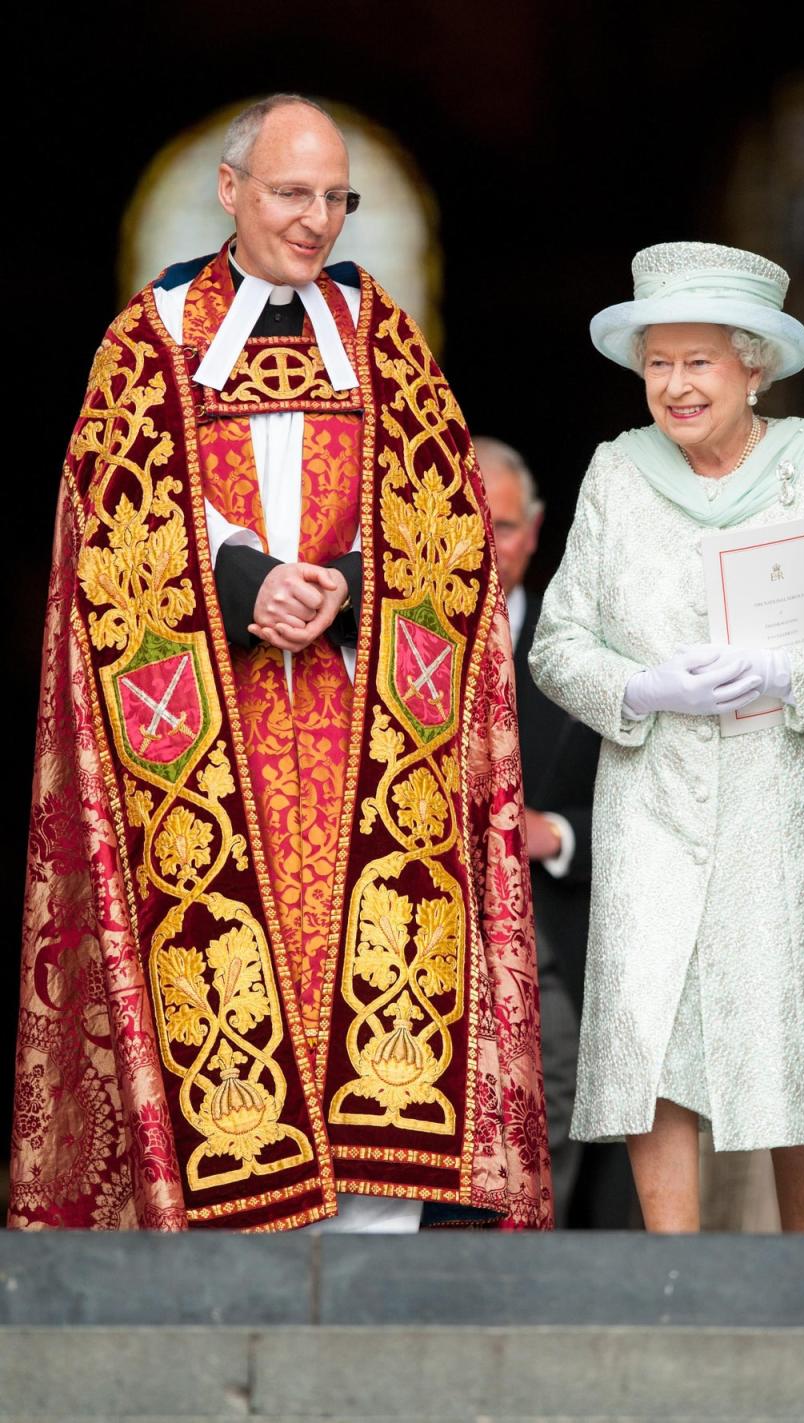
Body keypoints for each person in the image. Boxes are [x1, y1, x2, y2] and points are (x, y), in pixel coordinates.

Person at [10, 94, 551, 1233]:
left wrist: (349, 586)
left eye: (335, 199)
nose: (316, 221)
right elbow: (107, 527)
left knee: (381, 1078)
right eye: (292, 193)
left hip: (368, 763)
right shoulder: (150, 339)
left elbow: (453, 524)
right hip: (210, 758)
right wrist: (248, 582)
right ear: (231, 189)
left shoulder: (383, 336)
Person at [529, 241, 804, 1233]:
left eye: (698, 362)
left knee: (799, 1034)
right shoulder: (617, 473)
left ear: (753, 364)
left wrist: (787, 675)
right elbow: (556, 645)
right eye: (658, 362)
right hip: (656, 798)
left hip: (784, 800)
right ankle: (676, 1273)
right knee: (653, 1031)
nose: (674, 385)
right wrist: (645, 684)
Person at [476, 437, 631, 1227]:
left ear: (534, 530)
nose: (480, 544)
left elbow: (658, 810)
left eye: (498, 526)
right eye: (461, 521)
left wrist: (558, 834)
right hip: (413, 965)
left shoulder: (586, 653)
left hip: (553, 960)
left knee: (550, 1178)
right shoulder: (379, 648)